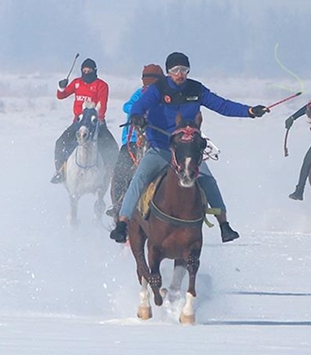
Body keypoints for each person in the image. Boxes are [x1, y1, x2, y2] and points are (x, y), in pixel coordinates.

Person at [109, 52, 270, 244]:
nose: (180, 74)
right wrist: (136, 115)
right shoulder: (158, 89)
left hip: (188, 151)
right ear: (168, 72)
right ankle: (122, 223)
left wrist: (249, 111)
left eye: (184, 70)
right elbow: (139, 105)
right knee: (139, 178)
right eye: (175, 70)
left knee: (208, 179)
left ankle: (224, 225)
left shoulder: (196, 89)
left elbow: (223, 106)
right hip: (161, 148)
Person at [105, 64, 164, 218]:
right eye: (147, 80)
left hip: (158, 141)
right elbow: (128, 106)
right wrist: (140, 112)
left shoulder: (165, 96)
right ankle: (118, 205)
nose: (149, 84)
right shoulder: (139, 94)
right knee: (120, 174)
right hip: (132, 142)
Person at [51, 58, 119, 184]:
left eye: (89, 71)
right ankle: (60, 171)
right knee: (60, 143)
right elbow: (61, 96)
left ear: (95, 71)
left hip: (95, 123)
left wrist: (99, 120)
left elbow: (102, 105)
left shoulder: (102, 85)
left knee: (112, 147)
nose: (86, 73)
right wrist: (61, 87)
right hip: (79, 123)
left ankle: (113, 173)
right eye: (84, 70)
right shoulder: (77, 83)